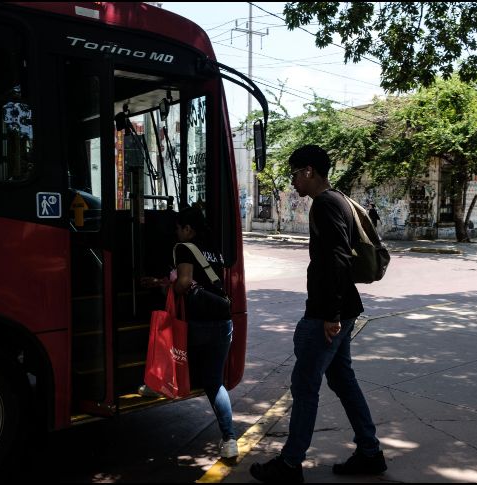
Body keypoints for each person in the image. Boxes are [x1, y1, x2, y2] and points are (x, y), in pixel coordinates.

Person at [250, 145, 385, 483]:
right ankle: (370, 452)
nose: (293, 181)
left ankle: (290, 464)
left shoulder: (325, 204)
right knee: (342, 379)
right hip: (342, 306)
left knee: (305, 384)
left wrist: (331, 314)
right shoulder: (338, 199)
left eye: (295, 174)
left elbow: (338, 258)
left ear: (309, 171)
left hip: (329, 311)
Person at [141, 206, 238, 460]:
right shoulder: (214, 247)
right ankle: (229, 440)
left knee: (172, 351)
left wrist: (166, 286)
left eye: (178, 228)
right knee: (215, 383)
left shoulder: (184, 248)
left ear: (188, 229)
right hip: (223, 321)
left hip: (199, 323)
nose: (176, 232)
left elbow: (184, 283)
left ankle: (156, 384)